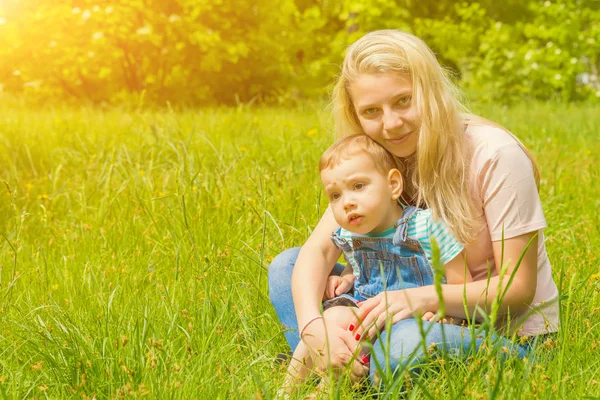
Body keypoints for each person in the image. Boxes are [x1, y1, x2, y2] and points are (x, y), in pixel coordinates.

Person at [268, 29, 559, 385]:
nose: (391, 124)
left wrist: (419, 299)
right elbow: (320, 249)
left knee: (404, 345)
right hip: (402, 310)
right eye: (371, 111)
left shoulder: (495, 155)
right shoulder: (378, 154)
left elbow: (518, 290)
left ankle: (346, 365)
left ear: (431, 90)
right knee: (289, 266)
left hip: (496, 332)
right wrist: (313, 326)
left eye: (404, 101)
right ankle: (340, 356)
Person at [280, 134, 471, 394]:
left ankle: (334, 384)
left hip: (413, 317)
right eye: (335, 195)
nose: (346, 202)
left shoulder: (427, 226)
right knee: (331, 317)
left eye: (358, 186)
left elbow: (462, 284)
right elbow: (363, 265)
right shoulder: (351, 233)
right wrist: (347, 275)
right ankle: (287, 389)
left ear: (393, 184)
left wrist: (449, 316)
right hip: (368, 314)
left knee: (393, 341)